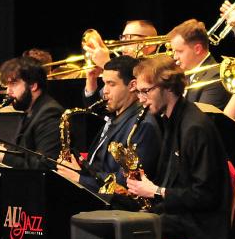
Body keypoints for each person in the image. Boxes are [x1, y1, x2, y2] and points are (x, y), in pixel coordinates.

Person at [126, 55, 230, 239]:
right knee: (120, 215)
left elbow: (206, 195)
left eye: (146, 91)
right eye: (139, 92)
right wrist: (143, 186)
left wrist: (156, 191)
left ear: (168, 87)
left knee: (127, 228)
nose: (141, 98)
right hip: (182, 214)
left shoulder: (194, 128)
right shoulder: (172, 121)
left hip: (201, 225)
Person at [56, 55, 161, 194]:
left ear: (132, 85)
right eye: (104, 83)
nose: (104, 91)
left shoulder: (143, 125)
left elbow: (127, 181)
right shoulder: (115, 113)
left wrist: (79, 178)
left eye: (111, 84)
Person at [0, 56, 63, 170]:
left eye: (14, 84)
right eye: (7, 85)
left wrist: (5, 157)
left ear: (33, 85)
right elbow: (25, 153)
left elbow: (46, 165)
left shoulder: (50, 113)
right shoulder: (33, 110)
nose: (8, 91)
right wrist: (3, 151)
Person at [83, 20, 160, 104]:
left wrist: (106, 64)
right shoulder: (122, 67)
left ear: (149, 43)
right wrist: (91, 81)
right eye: (122, 37)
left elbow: (139, 97)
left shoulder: (157, 70)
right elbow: (99, 110)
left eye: (129, 37)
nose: (122, 42)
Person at [169, 19, 230, 110]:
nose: (175, 57)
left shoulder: (215, 77)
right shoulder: (187, 73)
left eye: (179, 51)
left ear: (197, 49)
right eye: (174, 51)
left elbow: (202, 120)